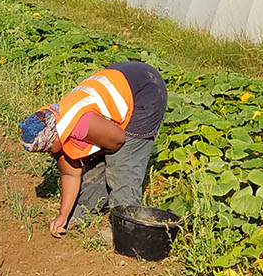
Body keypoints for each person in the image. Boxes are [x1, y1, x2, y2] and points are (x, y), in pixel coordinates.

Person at [18, 61, 169, 238]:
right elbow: (70, 174)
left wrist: (101, 152)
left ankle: (124, 228)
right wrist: (63, 215)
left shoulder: (78, 123)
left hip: (145, 89)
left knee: (122, 163)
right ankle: (84, 211)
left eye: (46, 148)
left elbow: (118, 141)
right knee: (92, 159)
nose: (49, 153)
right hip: (120, 79)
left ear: (54, 137)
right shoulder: (54, 129)